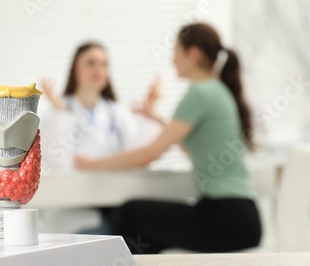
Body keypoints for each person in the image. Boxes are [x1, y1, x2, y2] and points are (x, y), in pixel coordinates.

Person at [75, 23, 262, 253]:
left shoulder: (199, 93)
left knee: (131, 213)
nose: (172, 61)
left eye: (175, 53)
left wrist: (93, 164)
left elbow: (149, 154)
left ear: (192, 54)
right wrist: (156, 117)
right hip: (238, 217)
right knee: (149, 230)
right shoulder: (217, 90)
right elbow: (189, 145)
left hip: (224, 216)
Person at [40, 42, 149, 170]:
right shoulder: (56, 110)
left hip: (112, 186)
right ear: (75, 68)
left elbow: (138, 152)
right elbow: (51, 155)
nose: (98, 69)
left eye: (104, 64)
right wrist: (60, 111)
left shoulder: (117, 113)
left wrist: (150, 109)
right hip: (71, 186)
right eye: (91, 63)